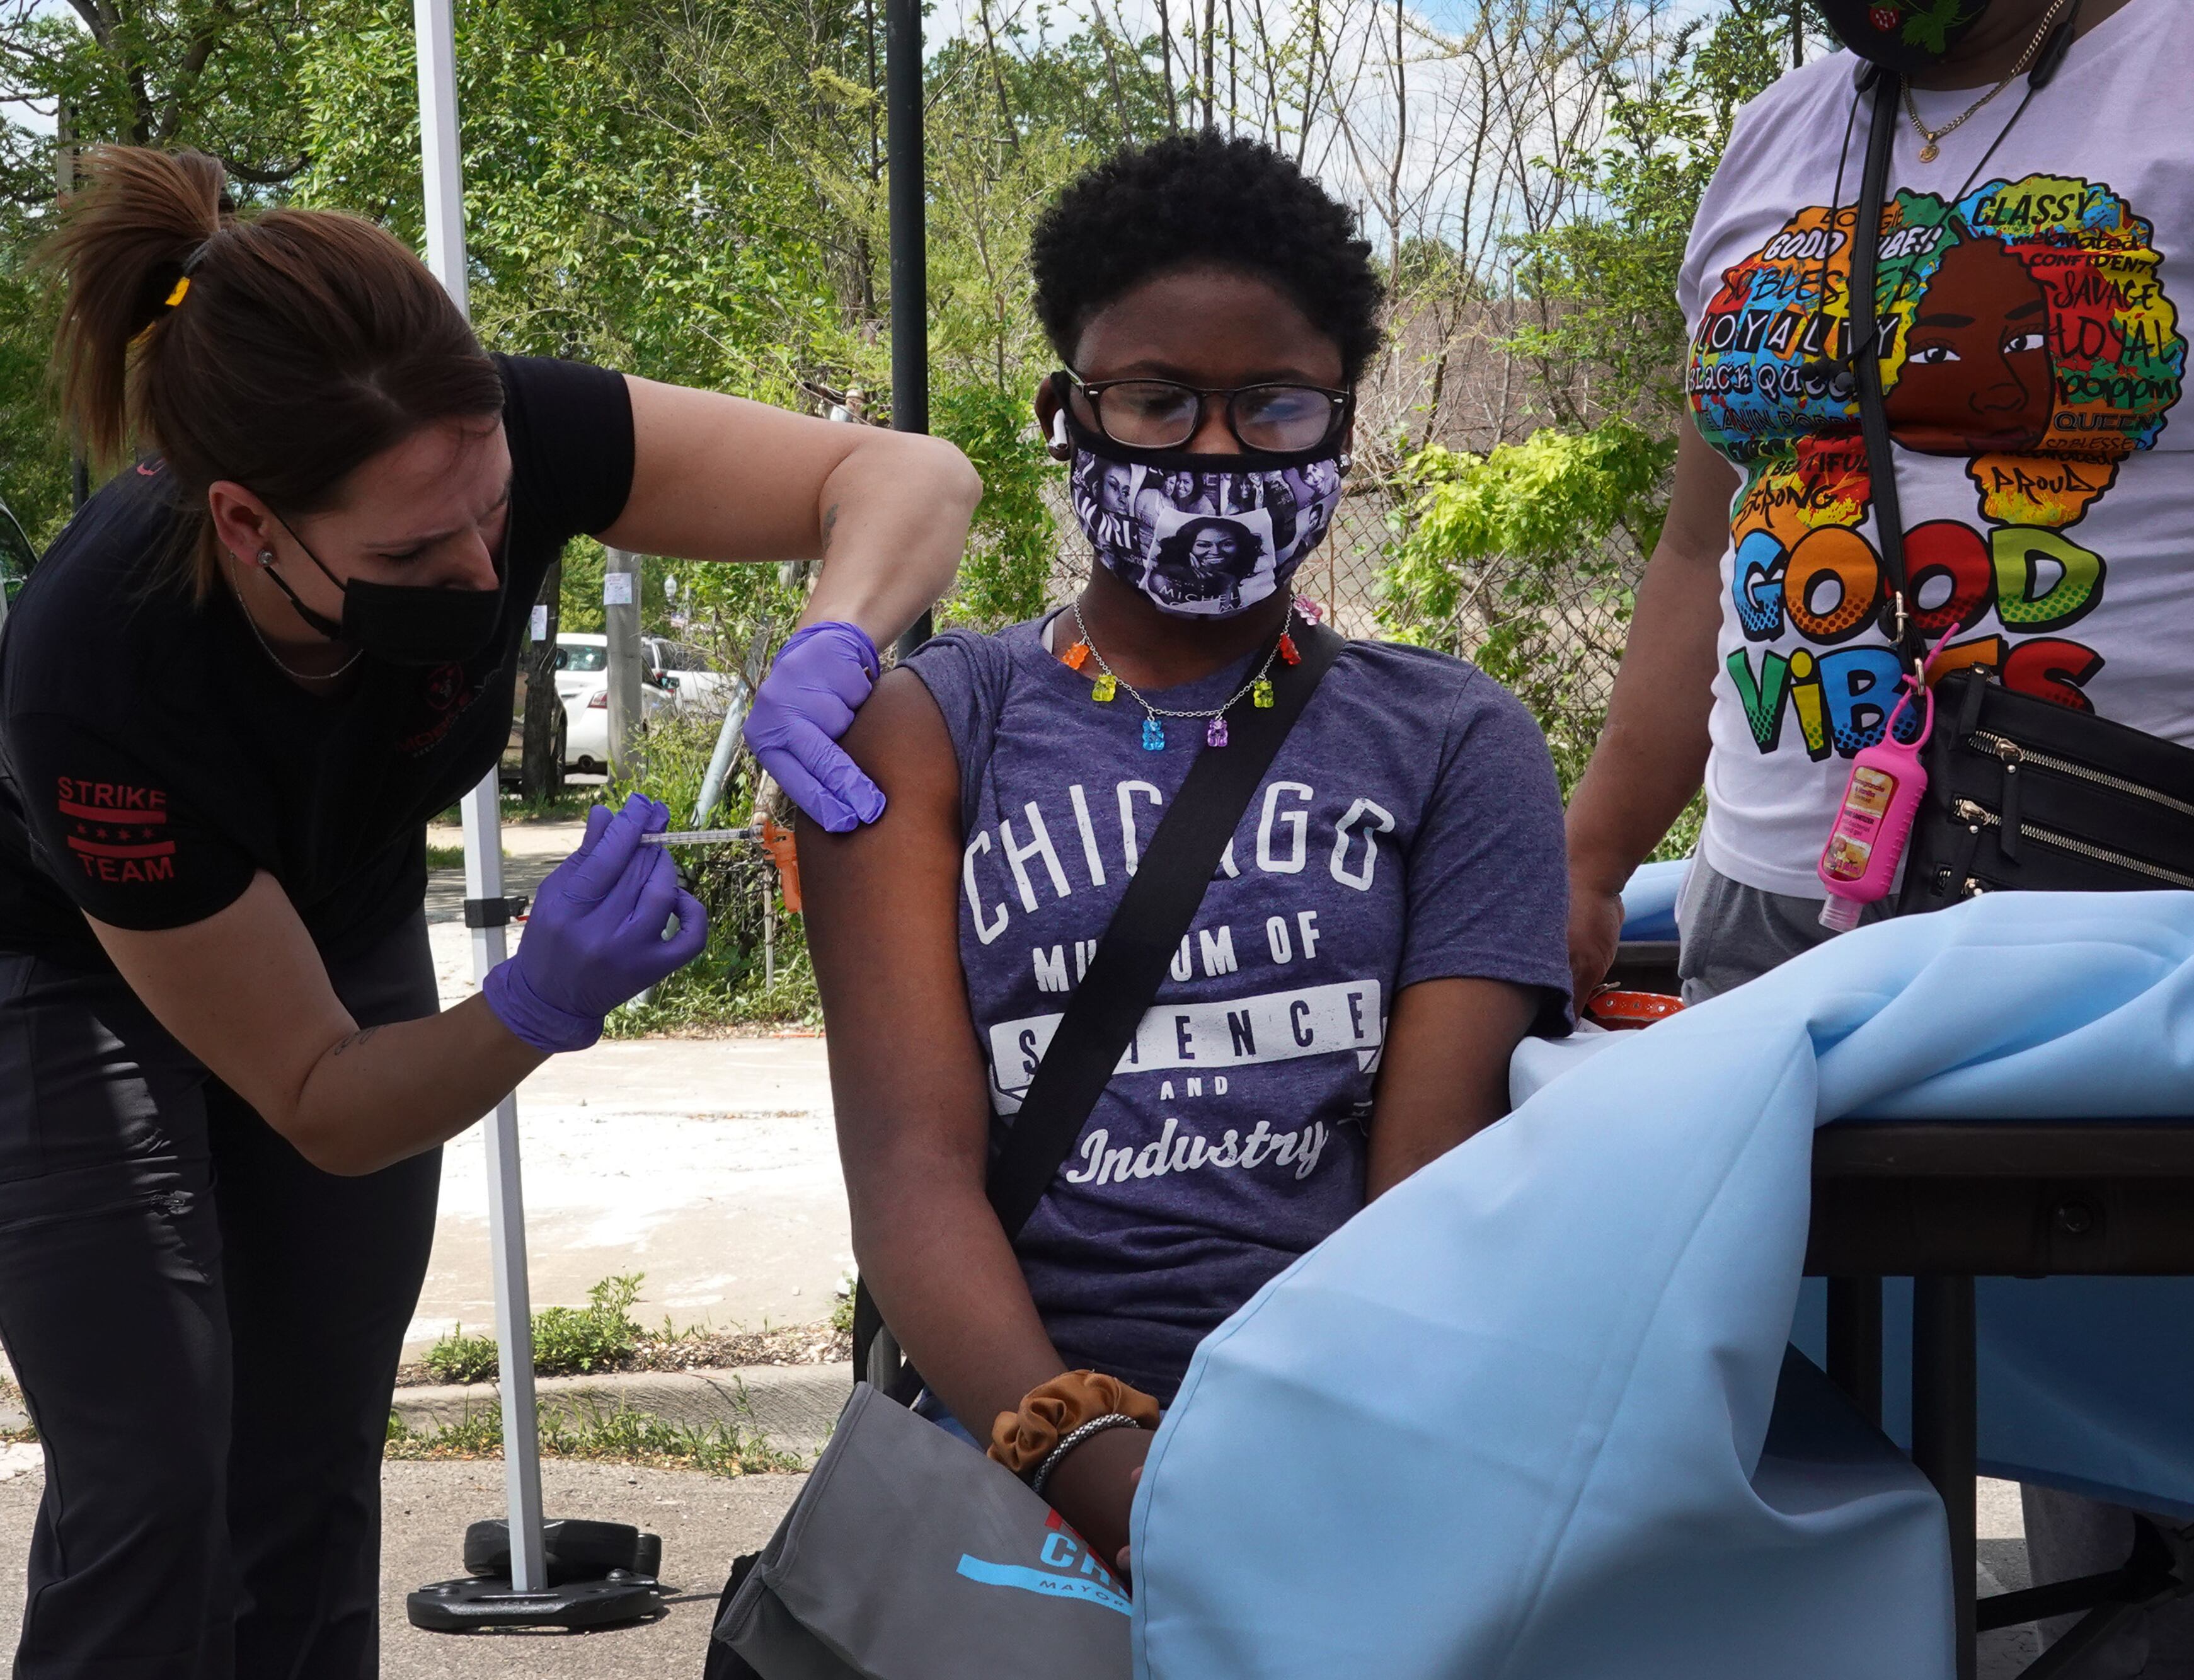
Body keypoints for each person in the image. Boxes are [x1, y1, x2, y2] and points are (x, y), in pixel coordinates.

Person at [1563, 2, 2194, 1675]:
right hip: (1777, 919)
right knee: (1777, 1444)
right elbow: (1702, 552)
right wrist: (1586, 853)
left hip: (2129, 935)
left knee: (2148, 1499)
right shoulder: (1779, 133)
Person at [0, 147, 977, 1677]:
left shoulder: (497, 435)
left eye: (496, 516)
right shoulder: (99, 669)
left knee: (311, 1455)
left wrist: (832, 643)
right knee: (153, 1475)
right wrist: (534, 1004)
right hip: (63, 963)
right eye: (407, 555)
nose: (479, 569)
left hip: (336, 903)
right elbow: (321, 1099)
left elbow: (909, 475)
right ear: (252, 525)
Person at [798, 130, 1573, 1574]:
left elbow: (1423, 1185)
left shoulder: (1457, 740)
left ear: (1339, 418)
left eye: (1271, 404)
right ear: (1062, 410)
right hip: (1015, 1445)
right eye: (1155, 400)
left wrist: (1314, 1479)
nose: (1212, 450)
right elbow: (910, 1173)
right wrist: (1094, 1466)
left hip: (1344, 1438)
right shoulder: (926, 728)